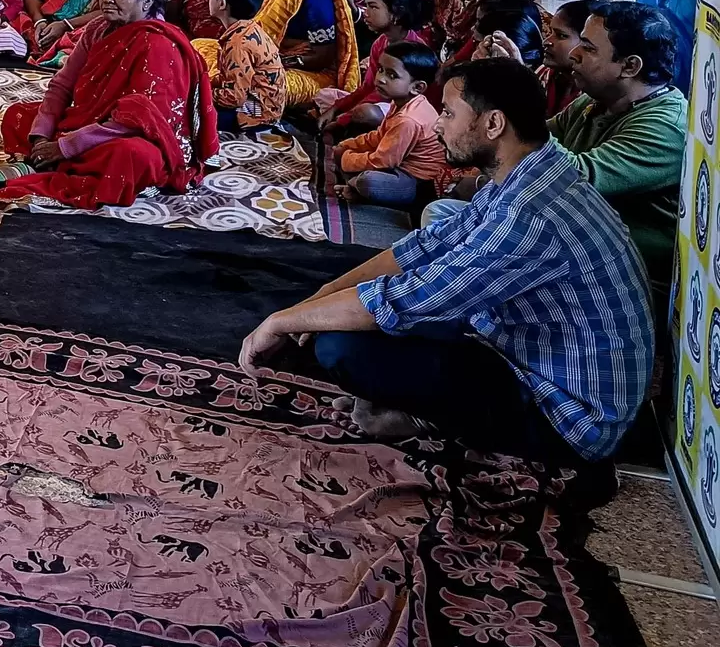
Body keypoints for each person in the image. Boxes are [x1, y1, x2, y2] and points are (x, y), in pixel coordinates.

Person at [239, 59, 652, 469]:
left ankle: (434, 420)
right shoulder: (530, 176)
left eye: (450, 113)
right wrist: (322, 296)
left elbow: (410, 297)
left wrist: (281, 322)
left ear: (493, 124)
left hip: (567, 420)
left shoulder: (529, 214)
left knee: (342, 345)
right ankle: (429, 410)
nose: (438, 125)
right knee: (344, 314)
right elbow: (427, 246)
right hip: (530, 355)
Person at [0, 0, 215, 210]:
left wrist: (66, 146)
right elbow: (62, 85)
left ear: (147, 0)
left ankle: (64, 162)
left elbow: (135, 122)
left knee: (131, 156)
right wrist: (41, 137)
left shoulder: (159, 45)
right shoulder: (98, 28)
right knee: (19, 115)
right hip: (89, 124)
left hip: (133, 136)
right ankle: (57, 158)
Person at [555, 2, 690, 289]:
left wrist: (516, 100)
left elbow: (574, 178)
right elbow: (533, 139)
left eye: (588, 48)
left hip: (630, 284)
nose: (573, 54)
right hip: (582, 262)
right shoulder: (596, 100)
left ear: (630, 66)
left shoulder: (665, 127)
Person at [318, 0, 431, 142]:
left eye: (373, 7)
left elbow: (381, 94)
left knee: (364, 113)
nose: (366, 13)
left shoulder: (412, 50)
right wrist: (336, 108)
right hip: (381, 98)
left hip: (405, 111)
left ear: (396, 13)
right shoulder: (381, 42)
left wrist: (342, 119)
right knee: (324, 96)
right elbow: (368, 87)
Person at [331, 43, 445, 209]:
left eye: (392, 75)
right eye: (381, 69)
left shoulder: (408, 120)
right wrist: (348, 145)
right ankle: (355, 186)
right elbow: (379, 136)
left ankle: (357, 187)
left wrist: (347, 159)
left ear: (417, 87)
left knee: (367, 181)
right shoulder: (401, 102)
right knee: (346, 154)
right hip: (397, 164)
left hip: (417, 182)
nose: (380, 78)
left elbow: (383, 161)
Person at [208, 0, 286, 136]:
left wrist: (203, 92)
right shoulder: (250, 29)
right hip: (267, 107)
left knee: (196, 113)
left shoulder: (237, 44)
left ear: (222, 3)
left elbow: (235, 97)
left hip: (256, 115)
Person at [539, 0, 596, 120]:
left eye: (561, 36)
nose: (546, 42)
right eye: (550, 33)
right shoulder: (544, 76)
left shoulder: (596, 94)